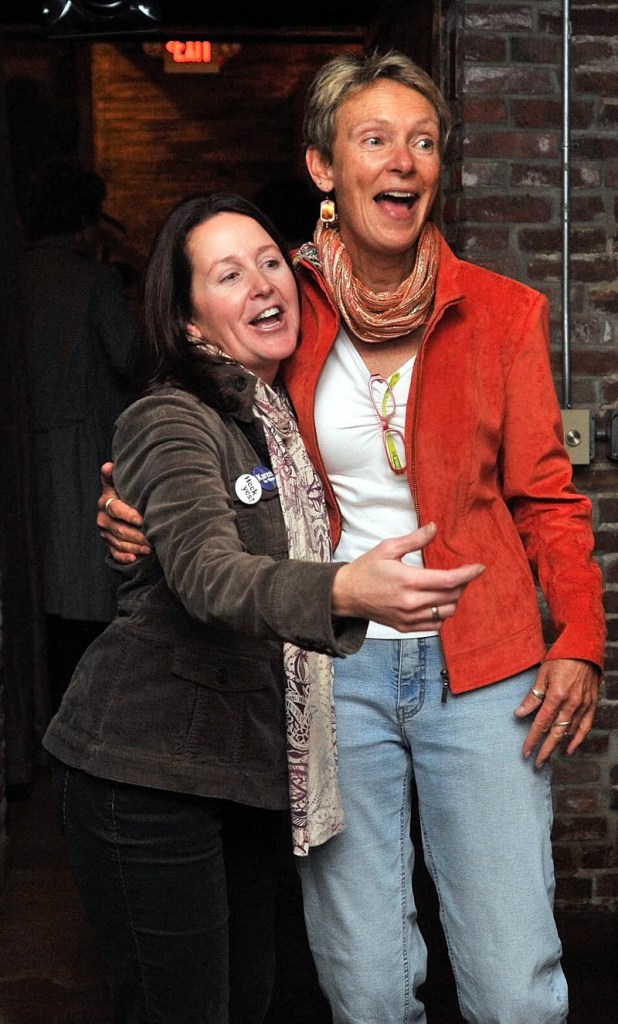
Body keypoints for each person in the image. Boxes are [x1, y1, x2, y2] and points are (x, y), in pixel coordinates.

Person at [96, 52, 606, 1024]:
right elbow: (195, 414)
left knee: (514, 986)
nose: (403, 160)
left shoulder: (503, 314)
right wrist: (143, 513)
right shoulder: (282, 302)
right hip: (327, 672)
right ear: (326, 167)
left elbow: (547, 495)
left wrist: (579, 638)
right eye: (375, 139)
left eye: (423, 140)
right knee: (366, 987)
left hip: (486, 667)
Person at [44, 189, 483, 1024]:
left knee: (248, 1000)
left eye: (270, 262)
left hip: (242, 773)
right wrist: (347, 588)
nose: (261, 283)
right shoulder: (170, 419)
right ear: (189, 323)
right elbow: (211, 574)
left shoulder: (285, 419)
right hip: (143, 766)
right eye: (227, 273)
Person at [19, 155, 137, 712]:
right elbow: (127, 353)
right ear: (86, 222)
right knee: (88, 588)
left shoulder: (17, 275)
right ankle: (86, 713)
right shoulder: (94, 279)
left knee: (38, 583)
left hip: (24, 448)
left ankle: (38, 716)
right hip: (84, 445)